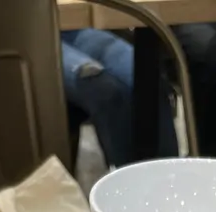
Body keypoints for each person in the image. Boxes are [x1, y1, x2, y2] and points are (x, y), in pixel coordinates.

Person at [61, 29, 177, 167]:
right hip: (42, 37)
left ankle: (170, 171)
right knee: (103, 89)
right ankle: (124, 174)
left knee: (150, 78)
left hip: (78, 28)